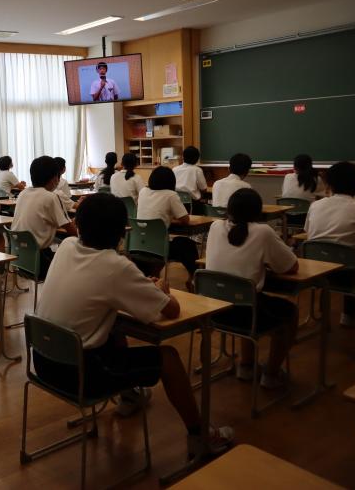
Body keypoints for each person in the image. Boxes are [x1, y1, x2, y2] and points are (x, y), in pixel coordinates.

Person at [34, 193, 233, 455]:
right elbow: (172, 310)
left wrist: (137, 288)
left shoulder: (67, 246)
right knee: (169, 358)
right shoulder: (116, 266)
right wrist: (161, 290)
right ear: (122, 231)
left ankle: (130, 396)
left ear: (78, 224)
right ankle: (200, 436)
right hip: (81, 375)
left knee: (115, 327)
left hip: (43, 361)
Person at [206, 188, 299, 389]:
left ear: (229, 209)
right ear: (258, 212)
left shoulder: (214, 226)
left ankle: (246, 366)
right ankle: (271, 374)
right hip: (246, 313)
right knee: (289, 313)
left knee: (248, 298)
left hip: (213, 311)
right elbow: (291, 266)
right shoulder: (263, 232)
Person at [305, 162, 355, 327]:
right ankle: (351, 314)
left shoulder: (315, 205)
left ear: (329, 184)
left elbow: (309, 234)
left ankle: (346, 313)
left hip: (317, 272)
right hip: (349, 276)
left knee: (350, 255)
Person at [11, 156, 76, 279]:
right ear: (54, 179)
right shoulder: (51, 197)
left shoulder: (23, 194)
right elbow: (70, 229)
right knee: (75, 263)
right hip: (40, 261)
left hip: (19, 259)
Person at [136, 166, 199, 290]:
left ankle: (153, 275)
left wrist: (167, 218)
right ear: (171, 181)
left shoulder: (143, 191)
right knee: (188, 245)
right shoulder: (171, 195)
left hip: (139, 244)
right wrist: (170, 218)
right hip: (159, 247)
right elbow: (185, 219)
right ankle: (193, 279)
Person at [174, 146, 208, 214]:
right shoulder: (197, 170)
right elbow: (204, 189)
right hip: (192, 204)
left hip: (176, 202)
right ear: (197, 158)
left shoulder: (174, 169)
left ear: (183, 157)